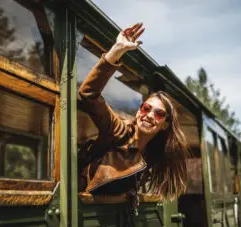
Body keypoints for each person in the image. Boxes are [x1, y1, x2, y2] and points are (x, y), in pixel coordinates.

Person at [78, 23, 189, 212]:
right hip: (81, 209)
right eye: (146, 108)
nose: (150, 115)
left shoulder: (153, 154)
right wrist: (117, 51)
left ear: (164, 125)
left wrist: (130, 191)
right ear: (138, 112)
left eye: (159, 113)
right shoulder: (119, 130)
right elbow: (88, 94)